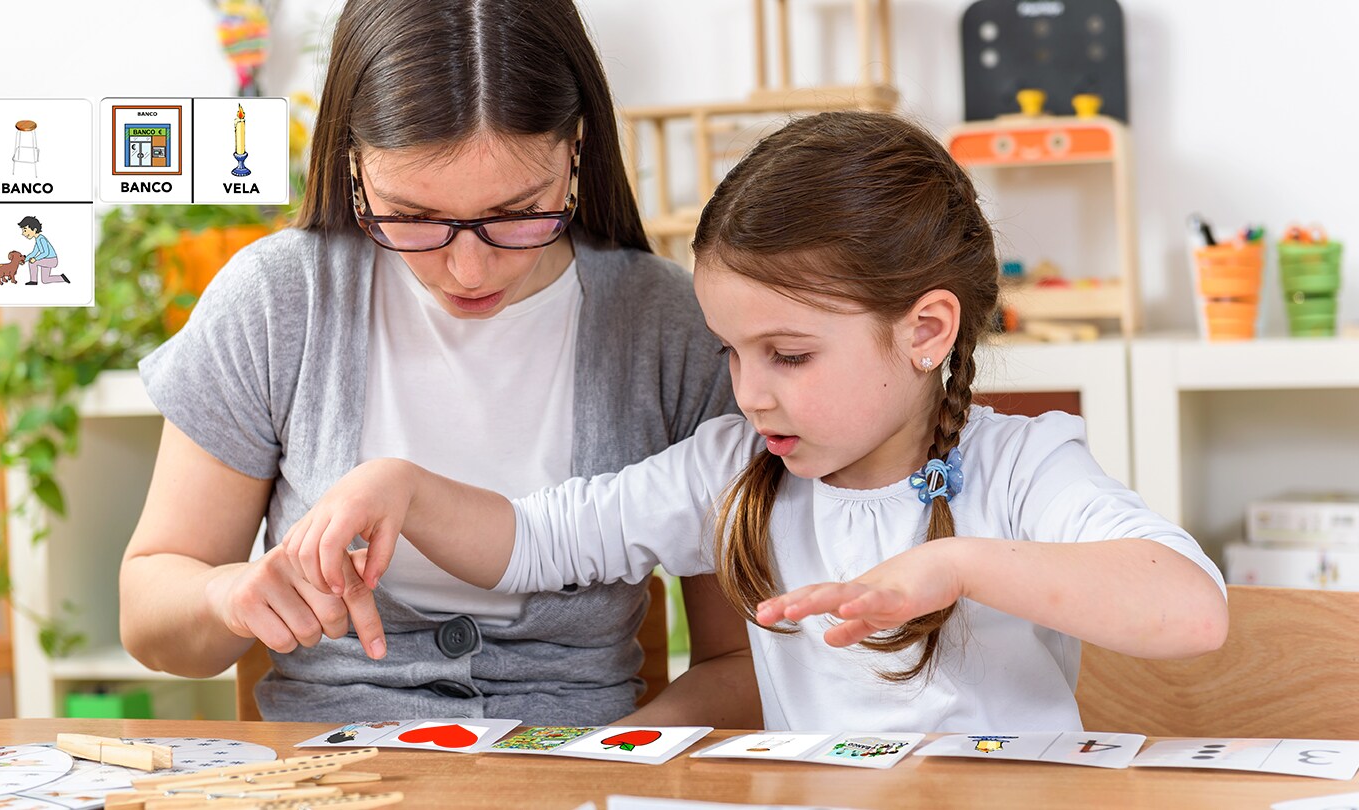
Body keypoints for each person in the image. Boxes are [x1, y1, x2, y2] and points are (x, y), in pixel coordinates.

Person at [280, 111, 1231, 732]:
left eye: (790, 355)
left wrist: (956, 566)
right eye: (732, 353)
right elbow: (540, 540)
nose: (750, 393)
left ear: (926, 331)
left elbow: (1192, 609)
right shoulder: (734, 468)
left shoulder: (1022, 465)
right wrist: (400, 486)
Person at [120, 0, 759, 726]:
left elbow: (743, 664)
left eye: (516, 212)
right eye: (415, 217)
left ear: (576, 151)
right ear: (353, 163)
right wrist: (226, 596)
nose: (468, 269)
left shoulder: (672, 326)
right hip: (337, 770)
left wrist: (609, 760)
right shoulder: (278, 301)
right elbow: (149, 614)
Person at [18, 216, 67, 285]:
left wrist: (35, 259)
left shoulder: (41, 239)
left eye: (25, 230)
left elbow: (46, 252)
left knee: (32, 262)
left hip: (52, 260)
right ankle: (62, 278)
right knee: (45, 280)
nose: (23, 233)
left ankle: (33, 281)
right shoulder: (37, 240)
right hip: (46, 260)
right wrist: (24, 260)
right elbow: (34, 252)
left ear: (34, 230)